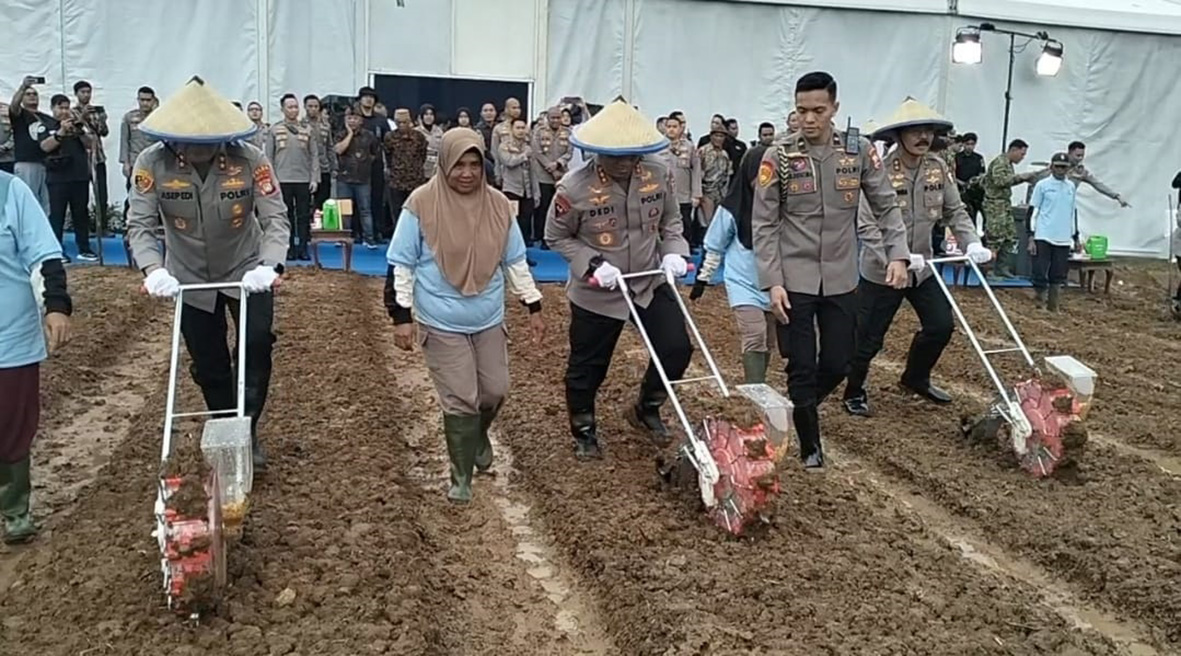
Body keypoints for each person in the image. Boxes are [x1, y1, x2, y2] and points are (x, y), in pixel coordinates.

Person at [126, 76, 290, 471]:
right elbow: (140, 225)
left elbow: (275, 217)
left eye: (204, 143)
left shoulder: (250, 159)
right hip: (189, 275)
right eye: (186, 142)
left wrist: (270, 265)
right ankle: (224, 425)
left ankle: (246, 429)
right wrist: (153, 269)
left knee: (256, 346)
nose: (194, 150)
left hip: (246, 267)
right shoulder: (151, 164)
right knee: (208, 360)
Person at [751, 71, 910, 469]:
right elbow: (765, 224)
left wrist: (898, 254)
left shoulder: (859, 152)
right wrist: (772, 283)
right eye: (802, 110)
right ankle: (810, 445)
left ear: (834, 109)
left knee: (840, 361)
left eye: (818, 110)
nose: (809, 119)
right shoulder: (780, 157)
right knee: (801, 364)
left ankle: (795, 409)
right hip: (795, 279)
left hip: (841, 277)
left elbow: (886, 204)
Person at [385, 128, 544, 504]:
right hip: (441, 320)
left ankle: (477, 437)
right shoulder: (421, 203)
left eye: (475, 165)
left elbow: (515, 260)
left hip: (487, 316)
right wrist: (401, 315)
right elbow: (402, 264)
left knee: (494, 390)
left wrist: (532, 304)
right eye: (459, 165)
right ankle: (461, 476)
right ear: (444, 164)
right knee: (461, 397)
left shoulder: (499, 205)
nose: (467, 173)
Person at [544, 99, 692, 459]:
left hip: (647, 280)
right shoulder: (573, 188)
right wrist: (592, 264)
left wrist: (674, 251)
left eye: (633, 155)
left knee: (676, 349)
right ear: (597, 151)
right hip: (599, 290)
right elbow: (556, 236)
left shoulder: (657, 173)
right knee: (588, 367)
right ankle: (584, 430)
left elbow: (671, 219)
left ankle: (647, 407)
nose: (626, 163)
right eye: (617, 156)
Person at [842, 98, 992, 417]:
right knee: (868, 337)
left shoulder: (937, 168)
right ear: (899, 136)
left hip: (923, 269)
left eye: (927, 131)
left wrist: (972, 242)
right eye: (915, 132)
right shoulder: (879, 172)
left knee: (940, 326)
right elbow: (867, 225)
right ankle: (854, 390)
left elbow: (955, 210)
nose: (922, 137)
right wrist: (897, 255)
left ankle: (915, 377)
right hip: (885, 270)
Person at [0, 170, 72, 544]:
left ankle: (14, 509)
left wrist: (55, 305)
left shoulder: (11, 191)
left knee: (12, 424)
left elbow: (43, 254)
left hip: (8, 337)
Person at [691, 145, 777, 384]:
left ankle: (759, 382)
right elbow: (715, 245)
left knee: (769, 340)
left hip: (773, 282)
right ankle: (754, 388)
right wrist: (702, 278)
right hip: (743, 282)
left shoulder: (783, 208)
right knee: (755, 333)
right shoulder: (732, 208)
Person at [38, 94, 97, 261]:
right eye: (60, 107)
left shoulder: (76, 125)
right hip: (57, 178)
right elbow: (45, 146)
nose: (64, 111)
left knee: (81, 213)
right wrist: (61, 132)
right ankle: (56, 249)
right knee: (57, 215)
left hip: (79, 176)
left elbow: (90, 144)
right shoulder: (46, 124)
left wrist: (79, 130)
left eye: (66, 107)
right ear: (52, 108)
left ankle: (84, 248)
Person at [266, 93, 319, 261]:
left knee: (303, 216)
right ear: (282, 109)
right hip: (282, 180)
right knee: (285, 216)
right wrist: (270, 180)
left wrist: (314, 178)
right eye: (289, 107)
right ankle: (288, 248)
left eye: (295, 107)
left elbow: (314, 156)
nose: (293, 110)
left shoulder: (307, 129)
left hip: (303, 179)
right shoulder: (274, 129)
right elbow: (268, 157)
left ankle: (303, 248)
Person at [1027, 153, 1078, 312]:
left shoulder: (1070, 187)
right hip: (1044, 234)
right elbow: (1033, 211)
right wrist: (1031, 236)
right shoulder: (1042, 185)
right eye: (1058, 166)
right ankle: (1039, 302)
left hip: (1063, 237)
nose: (1061, 170)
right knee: (1040, 270)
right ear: (1051, 167)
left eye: (1064, 167)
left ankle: (1053, 305)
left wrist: (1076, 237)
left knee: (1058, 273)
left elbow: (1072, 212)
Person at [982, 139, 1039, 279]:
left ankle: (1002, 268)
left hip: (1004, 205)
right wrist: (1021, 177)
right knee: (994, 237)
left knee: (1009, 236)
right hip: (995, 205)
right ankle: (988, 269)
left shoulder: (1008, 164)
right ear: (1013, 150)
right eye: (1021, 154)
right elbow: (1000, 181)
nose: (1022, 157)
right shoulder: (1000, 162)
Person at [333, 105, 382, 249]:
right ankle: (343, 238)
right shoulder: (340, 134)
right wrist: (349, 134)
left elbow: (374, 154)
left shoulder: (369, 136)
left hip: (363, 179)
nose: (352, 121)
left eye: (355, 118)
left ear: (361, 120)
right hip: (344, 178)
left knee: (365, 210)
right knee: (344, 210)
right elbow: (339, 150)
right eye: (349, 118)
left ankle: (369, 239)